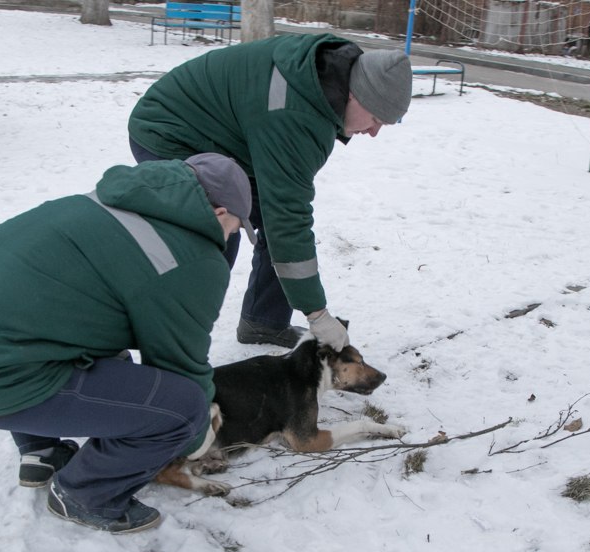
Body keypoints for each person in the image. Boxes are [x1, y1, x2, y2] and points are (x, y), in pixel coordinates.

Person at [0, 154, 253, 534]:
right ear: (220, 212)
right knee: (182, 409)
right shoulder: (192, 260)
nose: (232, 238)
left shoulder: (110, 200)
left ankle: (42, 450)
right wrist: (196, 432)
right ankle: (86, 495)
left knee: (69, 326)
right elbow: (180, 365)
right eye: (236, 229)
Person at [128, 35, 413, 349]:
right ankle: (178, 342)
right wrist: (317, 314)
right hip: (170, 130)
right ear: (356, 95)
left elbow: (286, 211)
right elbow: (287, 218)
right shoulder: (296, 114)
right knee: (219, 228)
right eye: (375, 119)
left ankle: (263, 322)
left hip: (232, 140)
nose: (373, 132)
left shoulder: (332, 77)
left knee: (269, 218)